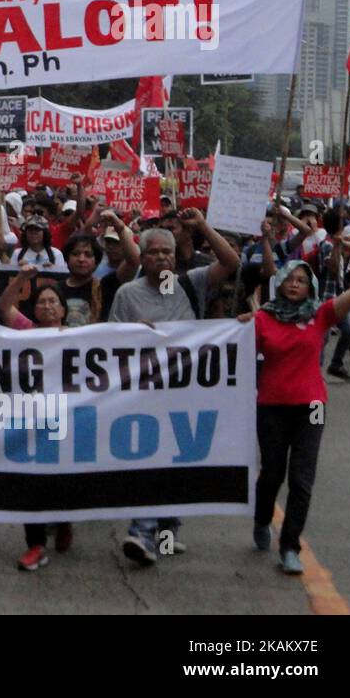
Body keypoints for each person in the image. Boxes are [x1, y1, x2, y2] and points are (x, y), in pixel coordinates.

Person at [109, 210, 239, 565]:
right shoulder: (127, 294)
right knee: (152, 460)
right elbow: (108, 345)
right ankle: (142, 533)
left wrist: (202, 228)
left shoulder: (190, 283)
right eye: (153, 252)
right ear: (142, 257)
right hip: (145, 394)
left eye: (167, 252)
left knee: (177, 463)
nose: (162, 258)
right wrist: (133, 334)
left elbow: (230, 261)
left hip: (186, 392)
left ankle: (166, 532)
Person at [243, 239, 350, 574]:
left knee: (302, 479)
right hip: (271, 406)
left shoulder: (322, 314)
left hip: (311, 407)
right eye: (289, 279)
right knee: (272, 473)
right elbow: (235, 354)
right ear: (279, 284)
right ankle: (262, 519)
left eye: (301, 280)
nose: (295, 284)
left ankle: (290, 547)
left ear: (309, 287)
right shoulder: (262, 320)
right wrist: (239, 325)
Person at [0, 267, 77, 570]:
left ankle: (65, 519)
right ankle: (35, 545)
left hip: (68, 418)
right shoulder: (26, 331)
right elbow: (4, 306)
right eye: (41, 301)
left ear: (63, 308)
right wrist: (20, 280)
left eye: (53, 301)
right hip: (31, 419)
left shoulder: (81, 336)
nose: (46, 306)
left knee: (62, 478)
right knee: (29, 481)